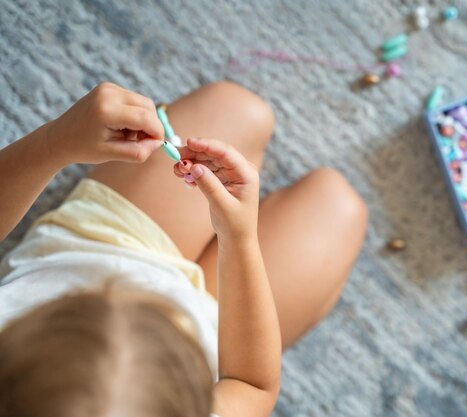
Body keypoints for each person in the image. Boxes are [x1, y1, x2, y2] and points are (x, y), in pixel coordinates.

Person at [0, 81, 368, 417]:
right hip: (220, 334)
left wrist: (54, 143)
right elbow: (252, 385)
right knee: (339, 206)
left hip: (98, 242)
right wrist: (239, 240)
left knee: (237, 108)